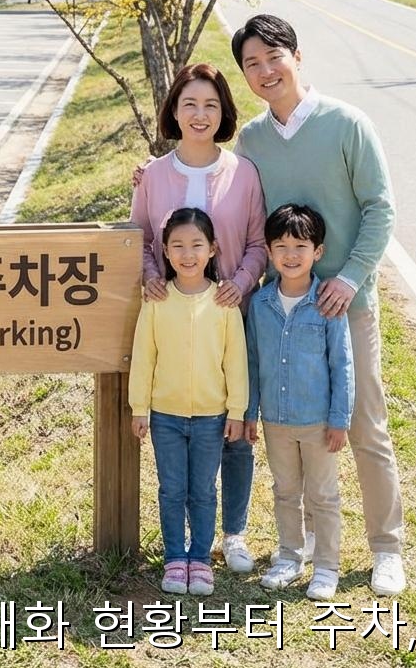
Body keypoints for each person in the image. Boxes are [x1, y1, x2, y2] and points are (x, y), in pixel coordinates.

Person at [232, 12, 405, 596]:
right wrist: (149, 174)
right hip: (282, 313)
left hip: (343, 304)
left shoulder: (347, 123)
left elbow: (380, 208)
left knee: (361, 425)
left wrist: (351, 277)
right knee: (289, 430)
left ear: (297, 56)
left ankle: (386, 548)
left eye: (272, 56)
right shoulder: (252, 140)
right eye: (251, 64)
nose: (264, 70)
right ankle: (298, 547)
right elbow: (234, 209)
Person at [129, 62, 266, 574]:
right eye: (190, 104)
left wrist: (243, 280)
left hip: (230, 315)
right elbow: (139, 236)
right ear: (174, 111)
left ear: (224, 112)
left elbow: (256, 242)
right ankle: (180, 547)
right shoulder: (154, 174)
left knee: (235, 427)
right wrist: (150, 276)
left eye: (211, 104)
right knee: (184, 431)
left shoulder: (243, 173)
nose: (200, 114)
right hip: (170, 318)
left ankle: (232, 533)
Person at [129, 207, 249, 597]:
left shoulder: (224, 302)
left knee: (203, 490)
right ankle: (174, 559)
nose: (187, 254)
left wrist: (236, 411)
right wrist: (139, 408)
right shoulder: (157, 300)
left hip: (212, 418)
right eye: (177, 246)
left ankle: (200, 559)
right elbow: (144, 356)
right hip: (165, 416)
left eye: (196, 245)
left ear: (213, 249)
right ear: (164, 251)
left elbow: (235, 361)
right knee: (171, 489)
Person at [246, 204, 355, 601]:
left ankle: (326, 566)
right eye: (281, 246)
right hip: (275, 418)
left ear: (318, 252)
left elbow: (341, 362)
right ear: (269, 251)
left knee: (323, 495)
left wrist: (339, 419)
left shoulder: (326, 302)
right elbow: (253, 361)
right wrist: (250, 413)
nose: (290, 255)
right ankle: (290, 557)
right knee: (285, 490)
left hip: (318, 422)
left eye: (300, 246)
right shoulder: (259, 305)